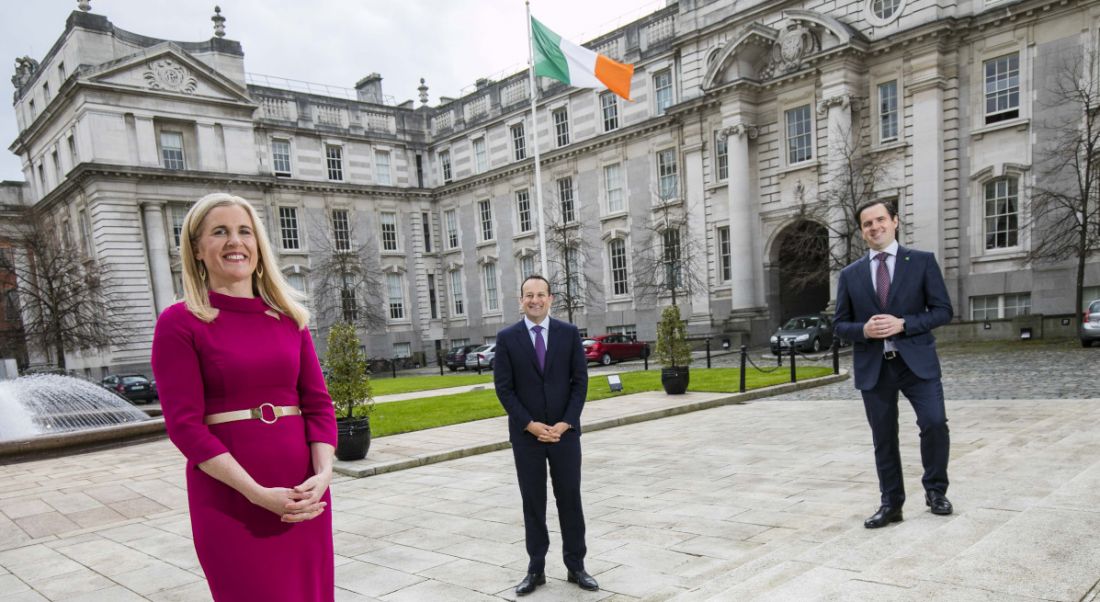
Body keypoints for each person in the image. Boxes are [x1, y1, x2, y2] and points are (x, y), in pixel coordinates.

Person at [151, 193, 337, 600]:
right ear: (197, 250)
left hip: (304, 494)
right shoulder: (180, 323)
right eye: (220, 232)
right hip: (231, 499)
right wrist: (256, 493)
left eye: (244, 232)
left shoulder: (290, 318)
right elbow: (185, 427)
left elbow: (319, 404)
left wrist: (323, 476)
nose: (236, 242)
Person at [834, 200, 954, 529]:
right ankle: (892, 504)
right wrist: (864, 330)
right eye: (867, 224)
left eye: (881, 220)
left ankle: (935, 491)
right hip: (875, 367)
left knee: (934, 423)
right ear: (862, 231)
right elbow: (839, 324)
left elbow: (943, 311)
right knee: (883, 438)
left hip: (917, 362)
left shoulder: (923, 262)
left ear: (895, 221)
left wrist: (904, 324)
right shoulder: (850, 275)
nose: (875, 227)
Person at [493, 275, 598, 596]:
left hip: (565, 435)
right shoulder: (507, 338)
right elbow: (504, 389)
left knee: (570, 499)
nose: (535, 300)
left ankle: (576, 565)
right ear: (520, 299)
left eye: (540, 295)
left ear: (551, 298)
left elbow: (580, 383)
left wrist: (566, 423)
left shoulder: (568, 334)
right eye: (529, 295)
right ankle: (535, 568)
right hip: (528, 437)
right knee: (533, 502)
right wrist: (530, 425)